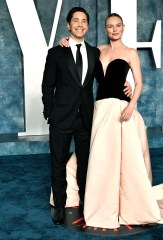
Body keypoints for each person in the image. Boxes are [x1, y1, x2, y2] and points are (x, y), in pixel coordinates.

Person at [59, 13, 163, 228]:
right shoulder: (97, 51)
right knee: (99, 157)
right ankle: (95, 199)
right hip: (100, 109)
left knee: (124, 159)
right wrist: (64, 42)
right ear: (105, 29)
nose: (114, 29)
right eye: (110, 26)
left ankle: (125, 203)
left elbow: (138, 83)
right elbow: (77, 52)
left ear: (123, 27)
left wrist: (131, 105)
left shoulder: (130, 52)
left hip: (122, 109)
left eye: (117, 26)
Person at [42, 8, 131, 226]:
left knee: (85, 164)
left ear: (88, 26)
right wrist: (49, 113)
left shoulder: (94, 52)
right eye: (76, 21)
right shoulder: (56, 52)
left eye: (84, 21)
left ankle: (85, 204)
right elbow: (47, 86)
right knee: (58, 163)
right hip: (61, 118)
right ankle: (60, 208)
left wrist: (126, 84)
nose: (80, 24)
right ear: (68, 25)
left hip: (86, 119)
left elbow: (105, 78)